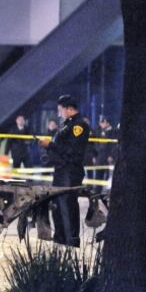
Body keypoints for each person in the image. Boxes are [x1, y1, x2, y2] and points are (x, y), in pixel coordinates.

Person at [39, 94, 90, 247]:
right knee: (56, 205)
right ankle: (60, 237)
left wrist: (51, 145)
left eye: (60, 110)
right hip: (60, 170)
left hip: (70, 171)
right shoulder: (66, 125)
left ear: (69, 109)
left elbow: (72, 151)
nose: (59, 113)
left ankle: (71, 240)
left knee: (67, 205)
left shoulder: (78, 126)